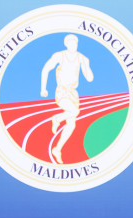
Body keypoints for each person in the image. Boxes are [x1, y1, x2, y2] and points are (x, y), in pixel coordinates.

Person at [40, 35, 92, 164]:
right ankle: (56, 118)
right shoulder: (59, 55)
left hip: (73, 93)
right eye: (70, 42)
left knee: (71, 124)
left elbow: (90, 78)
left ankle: (57, 149)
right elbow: (46, 69)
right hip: (62, 91)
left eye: (75, 42)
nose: (73, 45)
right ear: (66, 44)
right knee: (74, 111)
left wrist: (86, 64)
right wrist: (43, 89)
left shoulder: (81, 58)